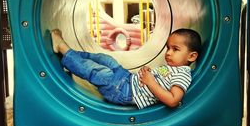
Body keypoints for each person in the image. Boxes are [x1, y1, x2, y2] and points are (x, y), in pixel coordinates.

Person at [51, 28, 202, 109]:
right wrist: (149, 72)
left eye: (175, 49)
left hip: (124, 92)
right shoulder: (171, 68)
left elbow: (173, 100)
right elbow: (160, 76)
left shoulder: (183, 75)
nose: (168, 53)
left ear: (192, 56)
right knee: (106, 59)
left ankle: (63, 48)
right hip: (127, 78)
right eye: (168, 48)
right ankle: (71, 54)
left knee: (100, 72)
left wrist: (150, 82)